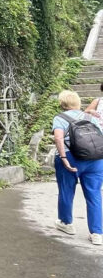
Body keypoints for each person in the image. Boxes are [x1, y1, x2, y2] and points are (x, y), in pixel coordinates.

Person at [52, 89, 103, 244]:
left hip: (71, 158)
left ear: (62, 103)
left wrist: (63, 158)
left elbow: (59, 138)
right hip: (95, 159)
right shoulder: (90, 116)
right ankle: (97, 234)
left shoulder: (59, 118)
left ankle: (67, 224)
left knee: (66, 190)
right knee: (94, 194)